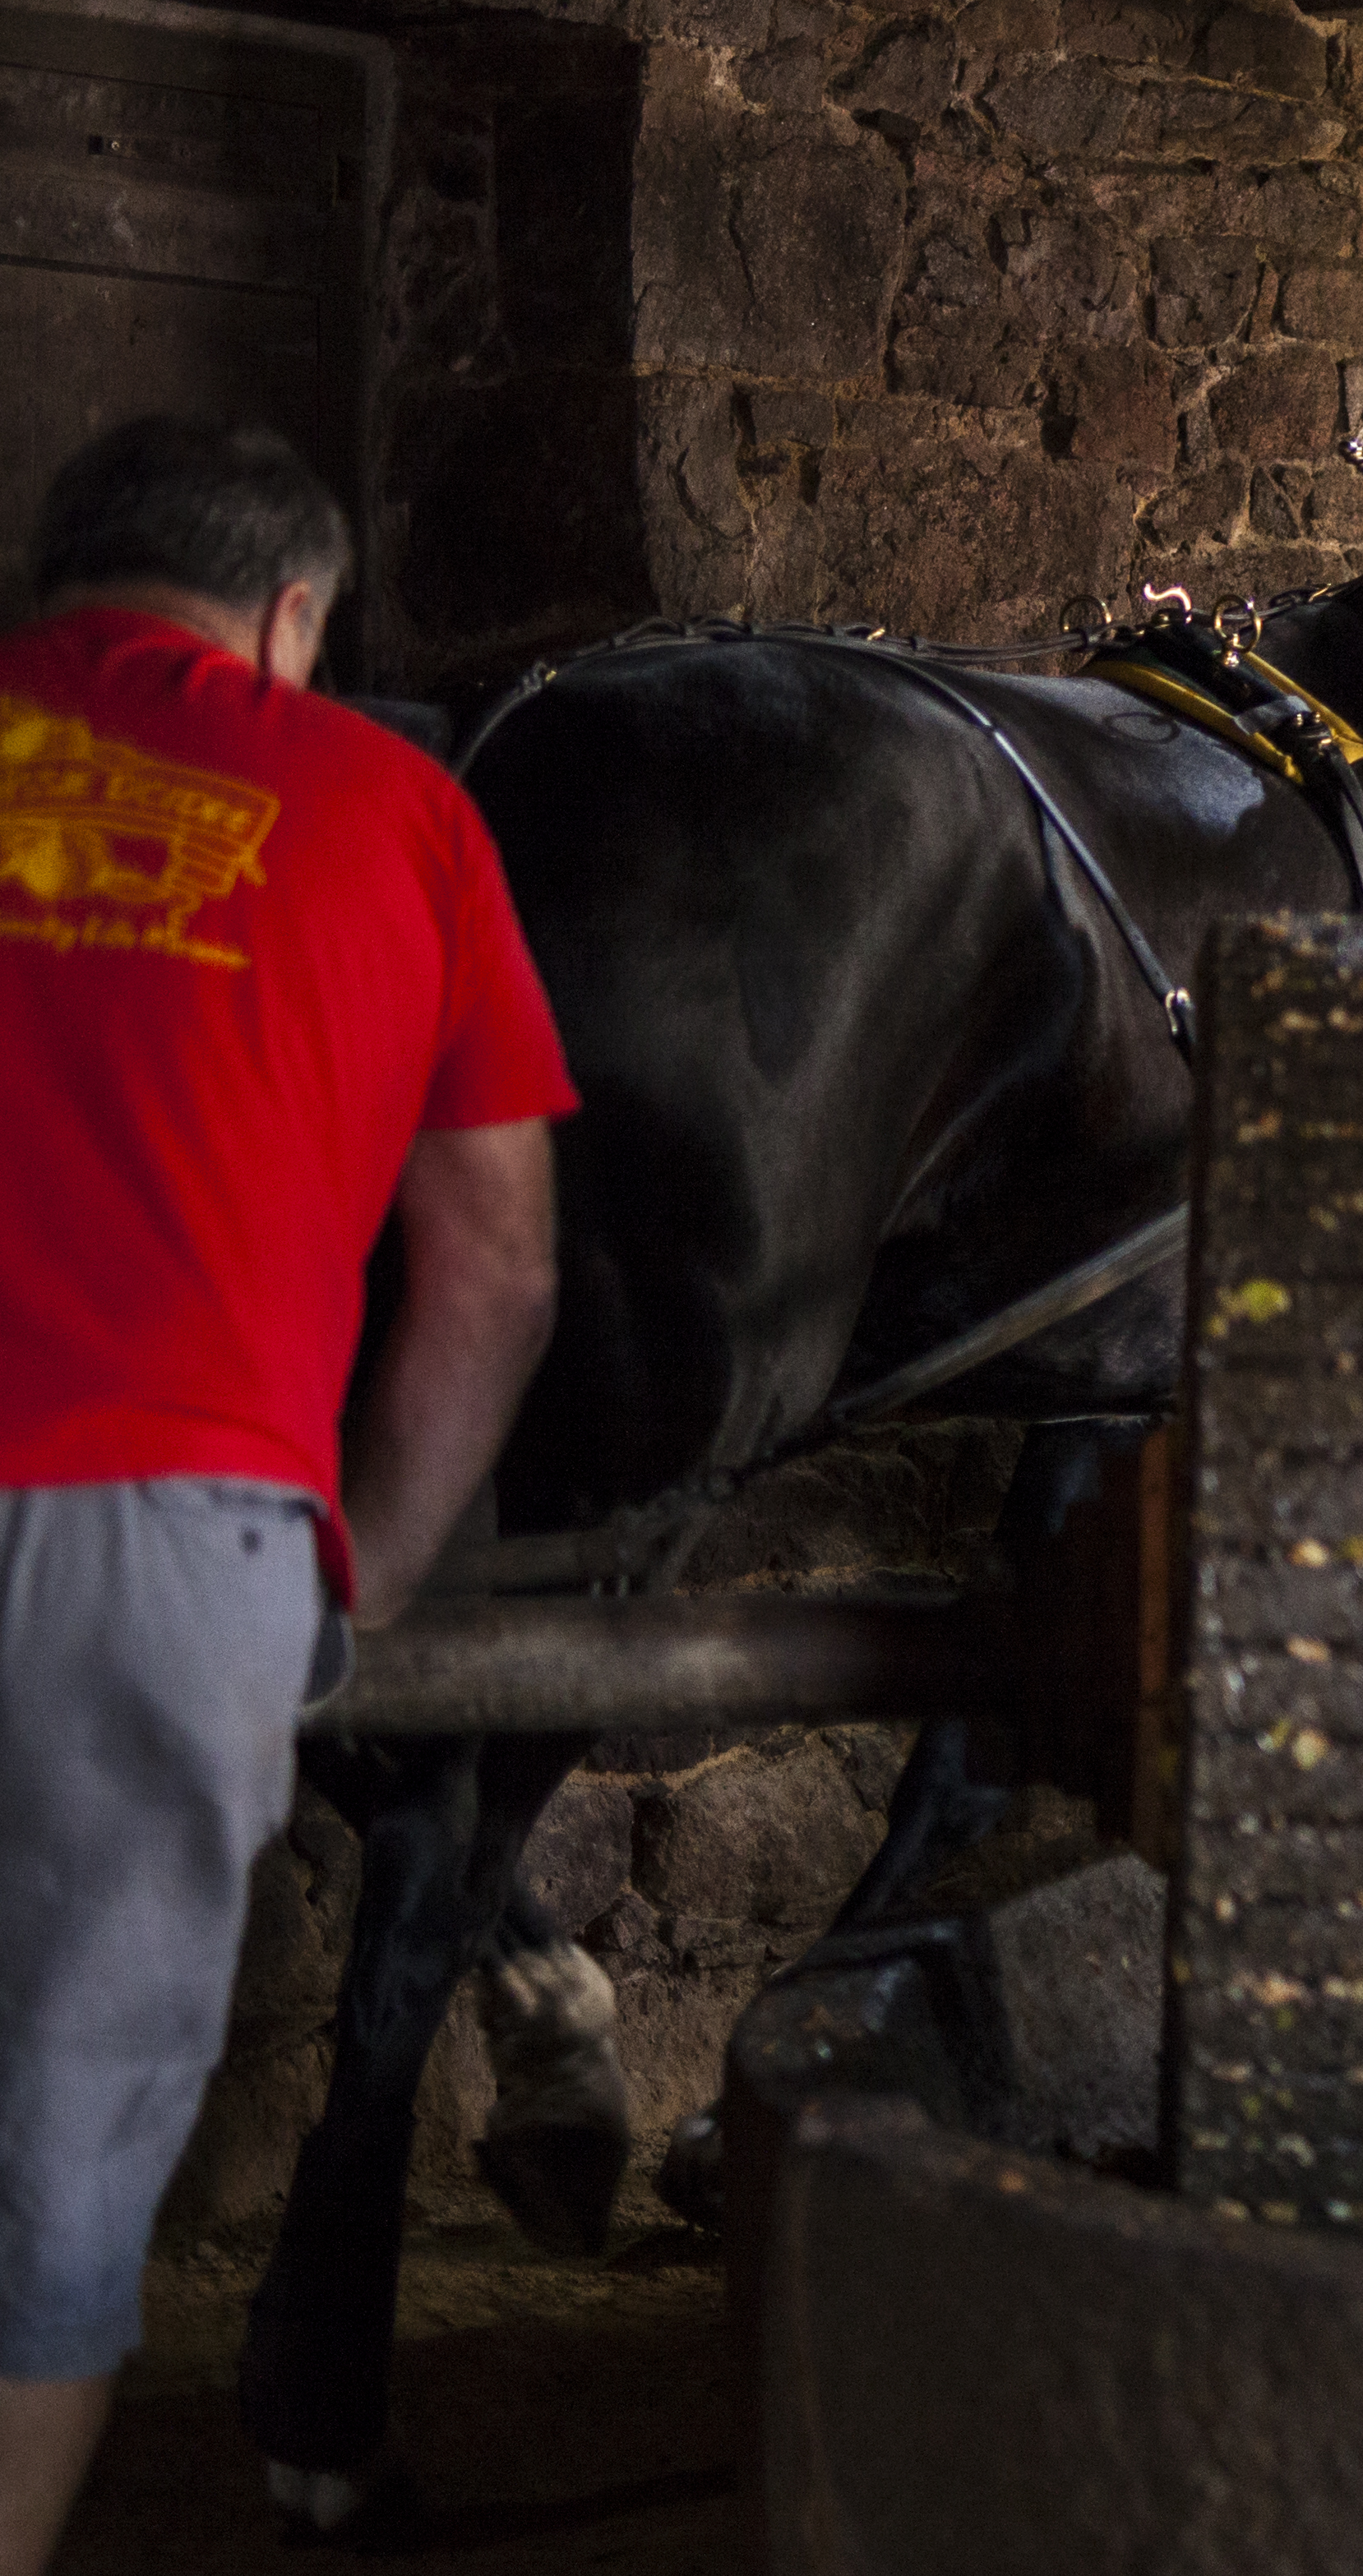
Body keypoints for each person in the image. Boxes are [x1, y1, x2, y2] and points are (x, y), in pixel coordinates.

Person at [0, 419, 572, 2574]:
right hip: (175, 1546)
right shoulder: (399, 811)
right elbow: (496, 1271)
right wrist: (364, 1568)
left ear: (61, 587)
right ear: (293, 617)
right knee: (56, 2150)